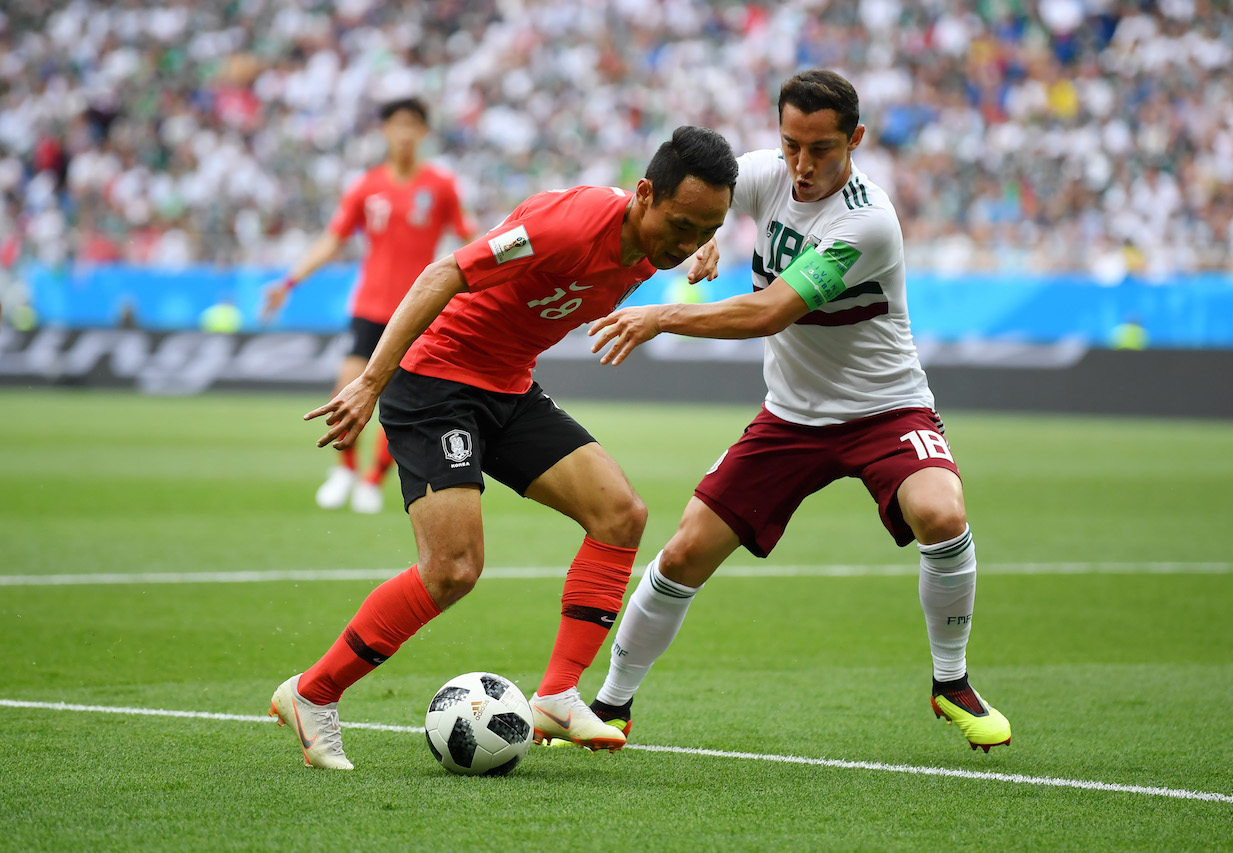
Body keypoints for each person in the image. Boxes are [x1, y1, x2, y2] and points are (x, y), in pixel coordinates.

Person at [268, 125, 738, 769]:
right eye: (682, 226)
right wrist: (370, 381)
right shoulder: (568, 224)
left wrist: (703, 246)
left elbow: (701, 224)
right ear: (644, 194)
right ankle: (312, 694)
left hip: (507, 387)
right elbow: (444, 272)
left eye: (705, 230)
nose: (688, 244)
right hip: (435, 382)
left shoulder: (667, 235)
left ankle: (557, 694)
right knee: (453, 569)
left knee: (620, 514)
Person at [586, 70, 1012, 753]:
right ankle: (610, 705)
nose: (803, 165)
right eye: (791, 145)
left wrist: (662, 315)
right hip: (790, 415)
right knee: (685, 551)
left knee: (942, 511)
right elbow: (710, 203)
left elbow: (772, 310)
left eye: (822, 149)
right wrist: (705, 237)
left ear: (857, 141)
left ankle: (951, 680)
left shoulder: (868, 221)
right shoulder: (767, 174)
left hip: (886, 408)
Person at [261, 97, 475, 514]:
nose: (405, 133)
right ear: (385, 130)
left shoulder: (440, 185)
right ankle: (345, 469)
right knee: (346, 387)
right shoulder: (367, 186)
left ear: (424, 133)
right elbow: (332, 238)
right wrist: (290, 281)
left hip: (415, 308)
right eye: (397, 124)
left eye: (413, 124)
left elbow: (467, 233)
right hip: (370, 306)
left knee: (399, 402)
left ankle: (373, 480)